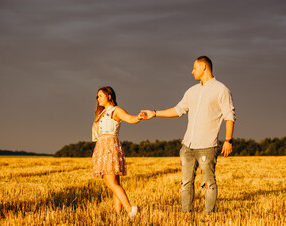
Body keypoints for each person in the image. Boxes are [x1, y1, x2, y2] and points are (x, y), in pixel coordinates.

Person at [142, 56, 236, 213]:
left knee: (208, 183)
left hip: (208, 146)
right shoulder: (191, 91)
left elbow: (229, 116)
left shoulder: (221, 90)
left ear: (204, 67)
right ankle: (186, 215)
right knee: (185, 183)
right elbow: (178, 110)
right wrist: (155, 113)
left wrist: (228, 140)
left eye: (194, 68)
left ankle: (209, 216)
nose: (192, 71)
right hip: (188, 146)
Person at [92, 86, 143, 217]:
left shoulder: (116, 110)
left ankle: (131, 210)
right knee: (115, 183)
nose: (98, 99)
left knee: (110, 183)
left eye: (100, 96)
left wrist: (138, 117)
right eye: (97, 97)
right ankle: (118, 215)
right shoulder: (101, 113)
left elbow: (130, 118)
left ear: (109, 96)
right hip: (102, 146)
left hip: (109, 146)